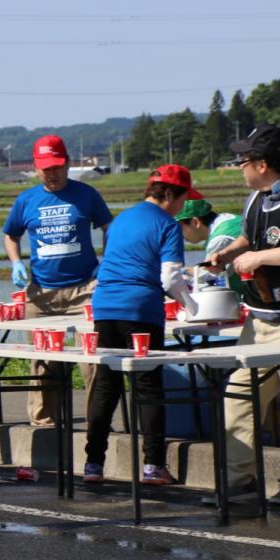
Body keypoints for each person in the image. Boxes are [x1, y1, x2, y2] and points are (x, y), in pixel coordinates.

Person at [86, 165, 198, 486]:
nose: (183, 206)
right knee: (148, 385)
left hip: (105, 305)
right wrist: (192, 307)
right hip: (141, 309)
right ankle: (152, 466)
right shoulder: (167, 224)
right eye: (183, 198)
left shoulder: (121, 219)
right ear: (170, 195)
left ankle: (93, 464)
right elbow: (171, 278)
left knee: (107, 385)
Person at [207, 125, 280, 506]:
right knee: (239, 395)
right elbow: (250, 236)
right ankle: (240, 481)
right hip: (259, 319)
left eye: (243, 160)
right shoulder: (255, 199)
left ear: (262, 164)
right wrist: (230, 252)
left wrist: (260, 257)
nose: (239, 166)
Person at [3, 135, 113, 426]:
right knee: (43, 363)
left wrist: (107, 260)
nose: (51, 174)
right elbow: (10, 235)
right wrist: (16, 262)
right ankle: (44, 426)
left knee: (91, 362)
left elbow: (108, 226)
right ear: (36, 168)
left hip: (85, 291)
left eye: (56, 167)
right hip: (41, 294)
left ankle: (96, 425)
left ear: (66, 164)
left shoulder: (87, 194)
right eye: (45, 168)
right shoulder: (26, 200)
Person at [174, 196, 246, 298]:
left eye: (179, 227)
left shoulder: (220, 239)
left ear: (195, 222)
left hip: (252, 297)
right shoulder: (225, 219)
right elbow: (207, 269)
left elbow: (207, 282)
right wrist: (184, 270)